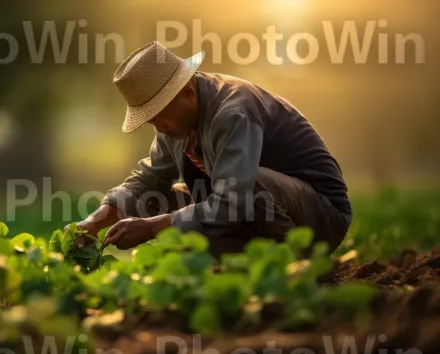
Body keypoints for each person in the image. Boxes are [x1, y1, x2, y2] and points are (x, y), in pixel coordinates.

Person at [71, 41, 352, 258]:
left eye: (159, 115)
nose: (158, 128)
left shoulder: (232, 112)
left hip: (320, 216)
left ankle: (297, 265)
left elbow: (234, 200)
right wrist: (95, 221)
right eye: (150, 120)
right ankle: (241, 263)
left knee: (245, 186)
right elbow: (147, 180)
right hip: (257, 210)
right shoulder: (177, 123)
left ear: (187, 94)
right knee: (155, 198)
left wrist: (153, 227)